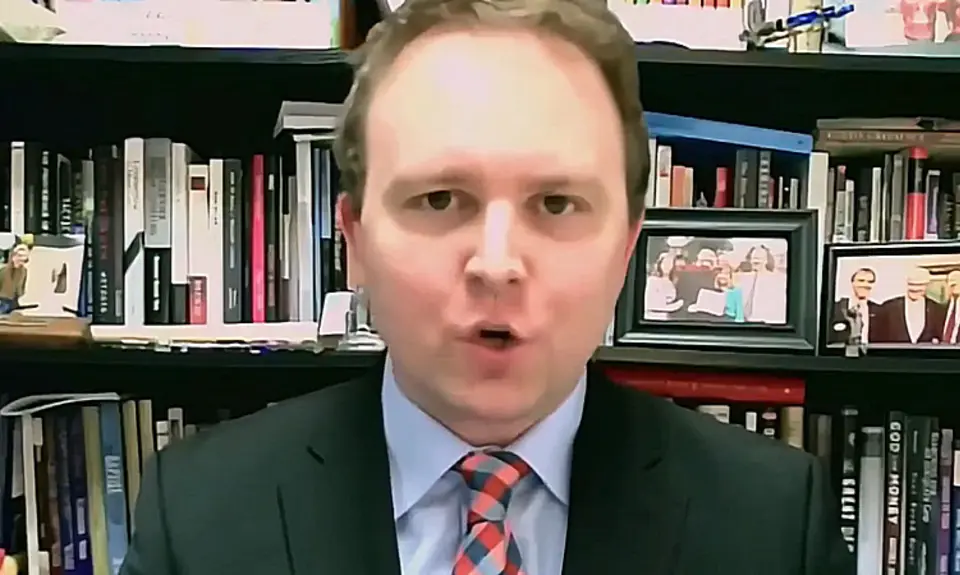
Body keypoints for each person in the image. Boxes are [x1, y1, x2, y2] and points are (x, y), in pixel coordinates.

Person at [120, 0, 853, 573]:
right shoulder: (197, 510)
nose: (496, 262)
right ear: (355, 242)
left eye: (557, 204)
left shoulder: (772, 519)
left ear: (627, 248)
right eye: (440, 199)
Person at [874, 266, 946, 344]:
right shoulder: (889, 308)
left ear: (927, 286)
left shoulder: (937, 309)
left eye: (920, 285)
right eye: (911, 284)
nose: (915, 288)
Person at [829, 267, 881, 346]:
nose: (865, 285)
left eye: (870, 282)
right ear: (852, 282)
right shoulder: (835, 308)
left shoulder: (879, 311)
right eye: (861, 281)